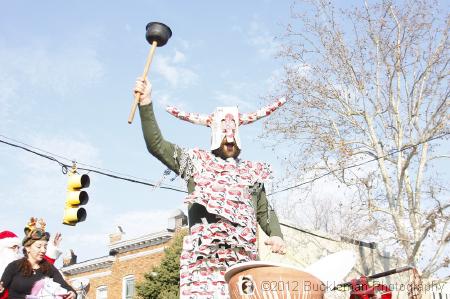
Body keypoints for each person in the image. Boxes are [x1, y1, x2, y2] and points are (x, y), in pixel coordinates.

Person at [135, 78, 287, 298]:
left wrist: (277, 235)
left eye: (233, 134)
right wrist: (146, 103)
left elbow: (265, 212)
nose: (229, 139)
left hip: (242, 272)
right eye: (224, 133)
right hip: (203, 272)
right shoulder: (195, 163)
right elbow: (157, 146)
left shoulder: (251, 174)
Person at [0, 218, 76, 299]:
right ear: (28, 248)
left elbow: (64, 286)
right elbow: (2, 288)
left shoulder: (49, 267)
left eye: (45, 247)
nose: (43, 250)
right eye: (39, 246)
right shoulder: (14, 266)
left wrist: (72, 293)